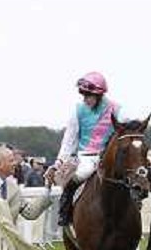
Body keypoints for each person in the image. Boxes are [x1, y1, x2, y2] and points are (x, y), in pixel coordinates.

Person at [47, 71, 123, 226]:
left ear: (99, 94)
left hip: (108, 157)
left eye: (88, 95)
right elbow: (69, 140)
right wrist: (59, 161)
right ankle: (65, 212)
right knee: (78, 177)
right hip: (85, 158)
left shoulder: (117, 109)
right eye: (83, 95)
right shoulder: (78, 110)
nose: (85, 99)